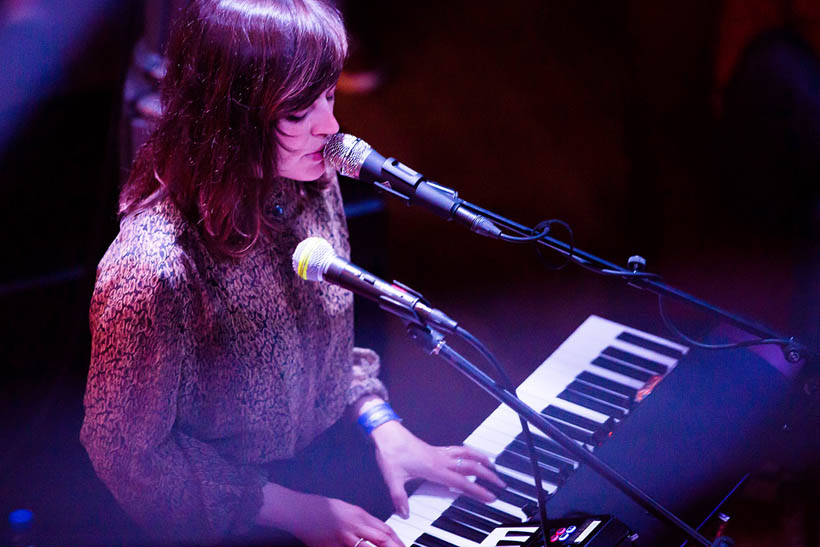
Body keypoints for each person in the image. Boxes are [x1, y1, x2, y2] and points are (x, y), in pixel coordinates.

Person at [79, 1, 504, 545]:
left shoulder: (311, 182)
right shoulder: (152, 270)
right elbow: (125, 454)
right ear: (227, 119)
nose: (331, 128)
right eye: (298, 112)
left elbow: (328, 343)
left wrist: (382, 424)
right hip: (233, 521)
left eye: (328, 96)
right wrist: (295, 512)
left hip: (331, 471)